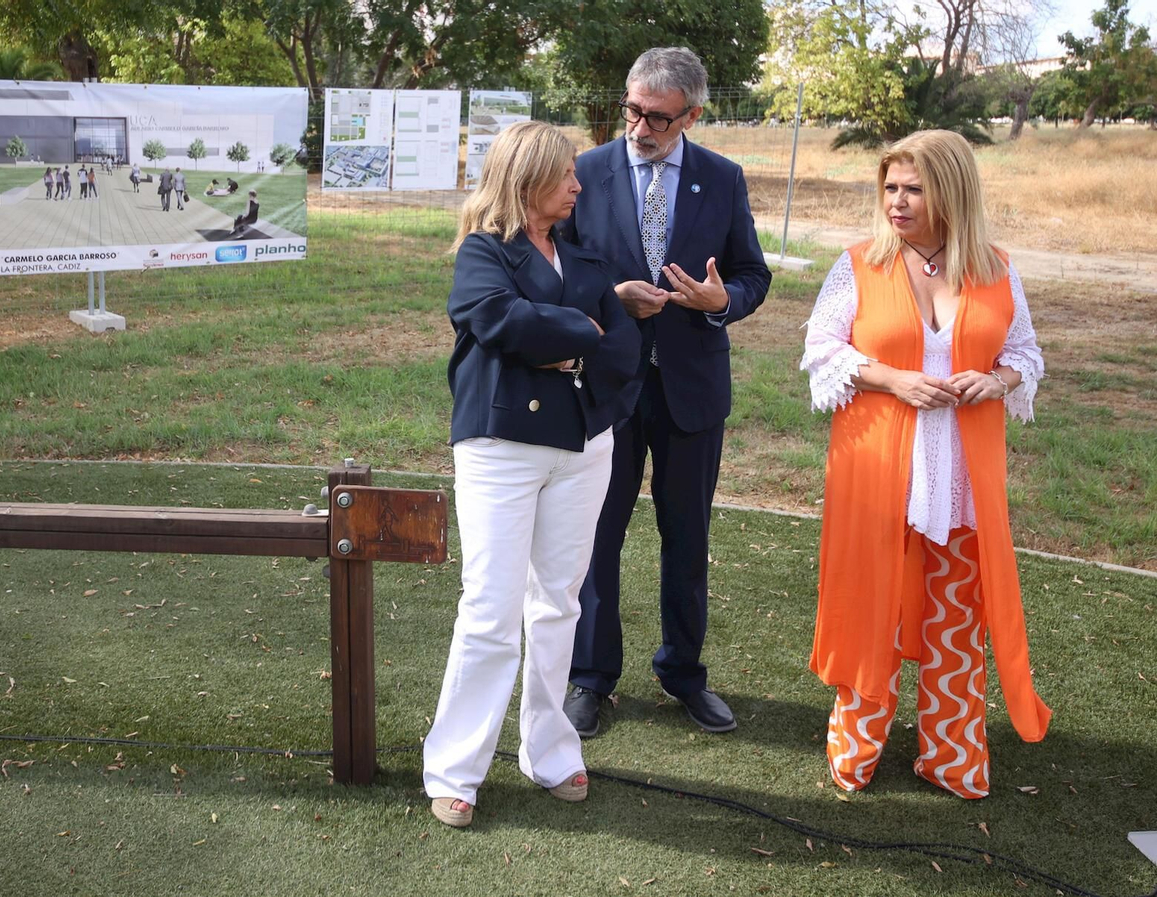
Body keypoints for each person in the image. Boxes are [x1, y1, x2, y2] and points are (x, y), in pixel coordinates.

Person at [800, 129, 1049, 799]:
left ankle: (954, 758)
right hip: (881, 475)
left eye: (914, 188)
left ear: (951, 192)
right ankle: (855, 749)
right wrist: (892, 378)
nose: (898, 202)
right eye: (890, 188)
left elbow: (1025, 354)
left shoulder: (995, 268)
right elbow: (821, 349)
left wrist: (994, 382)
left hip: (963, 481)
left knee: (957, 623)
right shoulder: (858, 264)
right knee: (871, 612)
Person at [424, 120, 642, 830]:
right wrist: (583, 333)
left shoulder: (586, 257)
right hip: (501, 446)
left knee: (559, 604)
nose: (579, 185)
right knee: (490, 609)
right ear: (526, 180)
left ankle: (550, 750)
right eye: (566, 174)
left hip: (584, 446)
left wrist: (571, 343)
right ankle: (456, 769)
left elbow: (625, 347)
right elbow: (498, 320)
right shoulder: (484, 252)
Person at [560, 46, 772, 738]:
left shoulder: (723, 177)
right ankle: (591, 677)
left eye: (656, 116)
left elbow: (752, 275)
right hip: (608, 385)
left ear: (693, 115)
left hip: (692, 390)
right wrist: (609, 302)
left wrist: (719, 300)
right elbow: (551, 273)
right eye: (632, 110)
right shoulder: (582, 174)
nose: (639, 127)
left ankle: (683, 672)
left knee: (687, 538)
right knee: (599, 536)